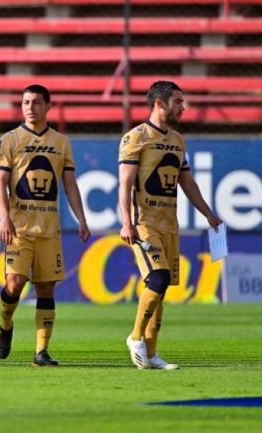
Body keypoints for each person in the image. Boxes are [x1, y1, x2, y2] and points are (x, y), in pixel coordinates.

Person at [119, 80, 221, 370]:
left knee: (161, 292)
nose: (183, 107)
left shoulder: (177, 140)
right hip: (144, 224)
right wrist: (126, 223)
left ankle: (151, 354)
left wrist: (209, 214)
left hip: (170, 225)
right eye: (178, 101)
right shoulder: (135, 137)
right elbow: (124, 185)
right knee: (158, 279)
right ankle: (135, 337)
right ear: (160, 103)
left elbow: (186, 182)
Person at [0, 84, 91, 367]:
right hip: (19, 228)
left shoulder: (61, 142)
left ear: (48, 106)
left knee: (46, 289)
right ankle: (5, 323)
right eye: (25, 102)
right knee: (15, 284)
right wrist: (4, 217)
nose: (29, 107)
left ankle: (41, 351)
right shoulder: (10, 140)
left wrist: (81, 219)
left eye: (36, 102)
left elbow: (69, 184)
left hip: (49, 229)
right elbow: (0, 184)